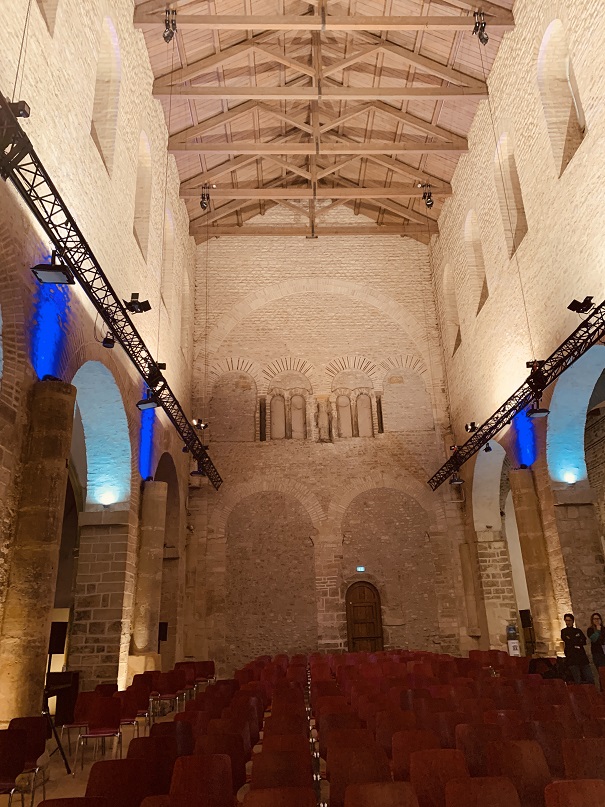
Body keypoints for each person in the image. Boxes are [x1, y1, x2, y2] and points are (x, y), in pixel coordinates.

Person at [561, 613, 594, 684]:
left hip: (582, 657)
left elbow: (583, 640)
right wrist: (576, 640)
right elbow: (567, 640)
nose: (568, 622)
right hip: (572, 658)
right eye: (566, 620)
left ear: (573, 621)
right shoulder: (564, 631)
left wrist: (574, 641)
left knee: (590, 678)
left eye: (569, 620)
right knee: (577, 680)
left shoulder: (578, 631)